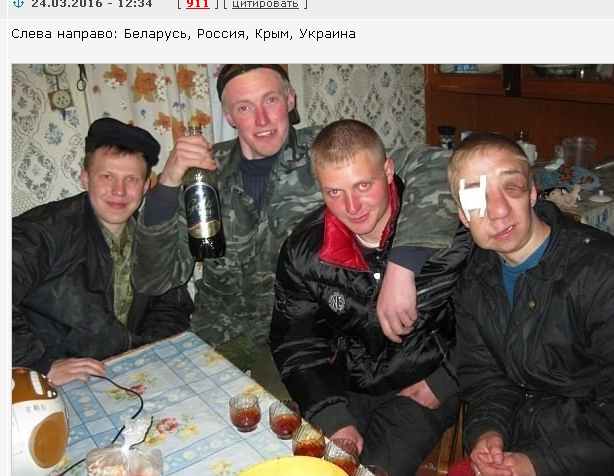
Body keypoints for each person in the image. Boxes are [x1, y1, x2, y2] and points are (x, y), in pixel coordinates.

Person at [132, 64, 459, 397]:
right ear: (228, 116)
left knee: (282, 424)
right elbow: (154, 280)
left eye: (270, 100)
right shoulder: (204, 172)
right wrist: (167, 184)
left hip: (295, 340)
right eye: (245, 107)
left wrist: (403, 267)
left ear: (290, 99)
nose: (262, 119)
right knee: (166, 407)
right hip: (215, 333)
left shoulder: (327, 156)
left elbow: (437, 166)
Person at [269, 119, 471, 476]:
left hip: (424, 384)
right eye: (334, 192)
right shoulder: (304, 251)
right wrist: (333, 416)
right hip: (345, 387)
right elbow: (297, 342)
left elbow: (493, 316)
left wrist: (445, 381)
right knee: (304, 465)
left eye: (363, 185)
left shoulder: (452, 231)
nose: (352, 206)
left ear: (388, 171)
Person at [446, 132, 614, 476]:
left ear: (533, 193)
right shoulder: (474, 278)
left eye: (512, 187)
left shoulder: (602, 273)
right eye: (476, 196)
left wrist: (538, 463)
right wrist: (488, 431)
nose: (498, 210)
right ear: (463, 215)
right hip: (520, 441)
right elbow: (485, 376)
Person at [13, 117, 194, 386]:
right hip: (49, 381)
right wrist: (40, 365)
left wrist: (147, 351)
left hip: (124, 373)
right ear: (85, 178)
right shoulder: (43, 232)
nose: (119, 191)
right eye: (107, 176)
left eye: (131, 179)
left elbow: (172, 306)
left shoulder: (152, 237)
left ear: (146, 185)